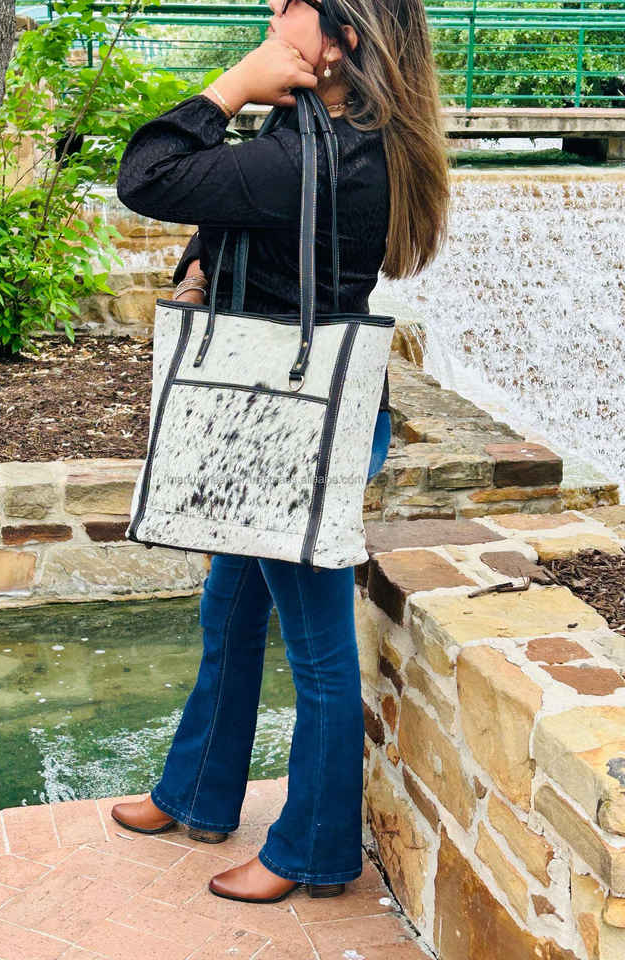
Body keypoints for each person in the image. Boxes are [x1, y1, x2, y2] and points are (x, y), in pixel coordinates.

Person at [111, 0, 450, 905]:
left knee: (319, 650)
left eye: (290, 4)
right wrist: (199, 265)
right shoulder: (335, 137)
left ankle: (313, 852)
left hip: (295, 429)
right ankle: (196, 792)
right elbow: (231, 206)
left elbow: (148, 176)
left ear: (341, 39)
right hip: (280, 414)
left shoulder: (317, 157)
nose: (270, 10)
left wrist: (228, 86)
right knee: (228, 612)